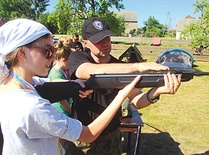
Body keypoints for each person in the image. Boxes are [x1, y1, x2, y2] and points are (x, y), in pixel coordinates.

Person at [0, 18, 143, 155]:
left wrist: (75, 85)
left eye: (54, 51)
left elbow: (45, 85)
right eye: (47, 51)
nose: (52, 57)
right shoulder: (33, 107)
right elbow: (88, 134)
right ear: (22, 53)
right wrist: (121, 96)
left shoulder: (13, 84)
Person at [68, 17, 182, 155]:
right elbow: (90, 71)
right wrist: (136, 66)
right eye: (98, 40)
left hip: (111, 136)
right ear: (85, 43)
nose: (105, 43)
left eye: (107, 38)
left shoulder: (120, 67)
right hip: (82, 137)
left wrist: (156, 92)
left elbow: (137, 101)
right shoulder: (78, 58)